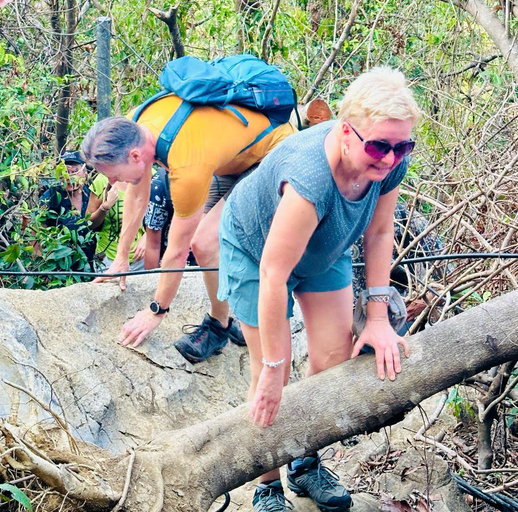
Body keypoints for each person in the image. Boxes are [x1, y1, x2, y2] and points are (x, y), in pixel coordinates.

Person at [216, 67, 420, 511]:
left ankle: (304, 462)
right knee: (270, 373)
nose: (390, 158)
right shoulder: (310, 176)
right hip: (255, 248)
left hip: (326, 245)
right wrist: (275, 366)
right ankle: (267, 485)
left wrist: (378, 317)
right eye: (378, 146)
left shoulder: (390, 160)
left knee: (331, 360)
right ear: (346, 132)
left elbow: (380, 232)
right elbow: (273, 273)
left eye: (402, 146)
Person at [81, 94, 294, 361]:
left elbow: (178, 250)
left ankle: (220, 325)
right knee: (207, 240)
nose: (112, 182)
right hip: (232, 157)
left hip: (274, 154)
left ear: (134, 156)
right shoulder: (134, 126)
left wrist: (156, 310)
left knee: (204, 243)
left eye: (112, 175)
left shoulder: (186, 164)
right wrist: (121, 258)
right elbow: (136, 195)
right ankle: (227, 319)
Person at [88, 174, 146, 271]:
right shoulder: (102, 179)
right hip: (109, 259)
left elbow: (164, 214)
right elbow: (89, 224)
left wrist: (147, 236)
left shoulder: (148, 174)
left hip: (140, 259)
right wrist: (105, 207)